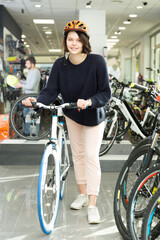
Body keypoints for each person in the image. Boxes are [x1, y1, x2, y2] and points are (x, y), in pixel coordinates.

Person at [22, 20, 111, 223]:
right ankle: (81, 193)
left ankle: (92, 203)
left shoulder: (96, 62)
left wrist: (89, 101)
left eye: (78, 40)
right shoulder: (60, 64)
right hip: (72, 114)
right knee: (77, 155)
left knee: (90, 156)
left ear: (84, 42)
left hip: (93, 116)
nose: (74, 43)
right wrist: (36, 101)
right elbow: (50, 91)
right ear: (65, 42)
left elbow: (106, 93)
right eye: (70, 39)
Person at [16, 56, 41, 136]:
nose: (26, 65)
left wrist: (21, 85)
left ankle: (35, 133)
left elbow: (31, 86)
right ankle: (27, 132)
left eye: (27, 63)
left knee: (33, 116)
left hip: (32, 97)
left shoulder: (36, 72)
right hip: (26, 97)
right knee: (26, 115)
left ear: (32, 64)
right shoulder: (30, 71)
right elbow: (27, 83)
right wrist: (21, 82)